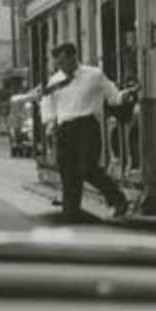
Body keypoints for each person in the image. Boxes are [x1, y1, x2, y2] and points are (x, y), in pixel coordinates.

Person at [40, 41, 138, 222]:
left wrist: (124, 96)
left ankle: (118, 201)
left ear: (73, 57)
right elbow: (47, 103)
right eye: (58, 64)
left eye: (63, 62)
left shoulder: (93, 75)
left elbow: (112, 95)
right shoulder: (56, 81)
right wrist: (50, 123)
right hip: (65, 130)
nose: (61, 67)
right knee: (68, 174)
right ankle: (71, 213)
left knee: (87, 168)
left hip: (87, 126)